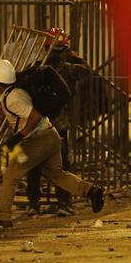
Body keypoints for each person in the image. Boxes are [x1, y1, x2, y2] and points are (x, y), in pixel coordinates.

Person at [0, 59, 104, 228]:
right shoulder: (11, 93)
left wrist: (18, 136)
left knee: (11, 175)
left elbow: (34, 116)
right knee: (56, 174)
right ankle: (91, 190)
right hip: (51, 136)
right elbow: (2, 110)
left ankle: (3, 217)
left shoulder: (13, 98)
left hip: (39, 140)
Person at [26, 27, 92, 217]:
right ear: (65, 50)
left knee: (34, 164)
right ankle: (63, 202)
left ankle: (33, 203)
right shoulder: (70, 68)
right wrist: (73, 55)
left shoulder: (37, 67)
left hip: (38, 123)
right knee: (61, 166)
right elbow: (88, 70)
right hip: (59, 125)